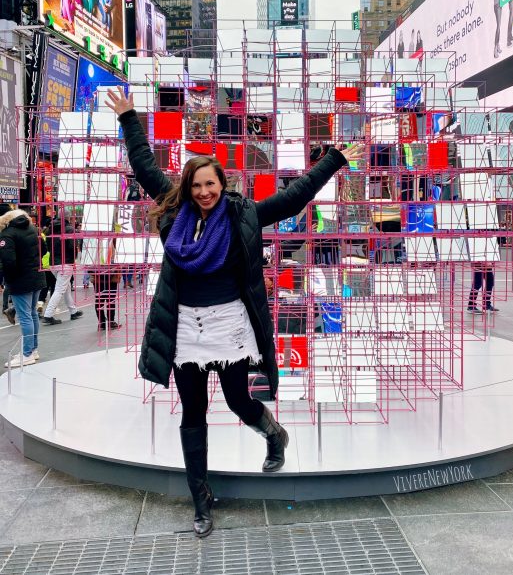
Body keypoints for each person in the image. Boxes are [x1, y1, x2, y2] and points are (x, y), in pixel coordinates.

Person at [106, 87, 363, 538]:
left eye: (211, 184)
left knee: (239, 399)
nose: (204, 192)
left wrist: (334, 158)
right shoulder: (175, 210)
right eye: (198, 185)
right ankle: (200, 498)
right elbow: (145, 167)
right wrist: (130, 120)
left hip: (228, 324)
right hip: (185, 326)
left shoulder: (243, 214)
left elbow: (294, 198)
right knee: (193, 411)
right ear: (188, 187)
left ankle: (273, 433)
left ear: (222, 185)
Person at [0, 208, 46, 367]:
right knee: (32, 314)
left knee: (25, 316)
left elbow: (8, 261)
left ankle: (27, 353)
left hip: (21, 280)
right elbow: (44, 250)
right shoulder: (33, 228)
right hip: (37, 276)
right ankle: (32, 350)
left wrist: (7, 280)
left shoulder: (7, 234)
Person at [42, 215, 83, 325]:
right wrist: (73, 259)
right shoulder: (69, 229)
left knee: (66, 287)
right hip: (66, 263)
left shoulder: (50, 229)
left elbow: (47, 246)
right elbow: (72, 246)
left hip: (53, 263)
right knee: (60, 289)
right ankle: (48, 314)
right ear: (67, 217)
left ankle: (73, 311)